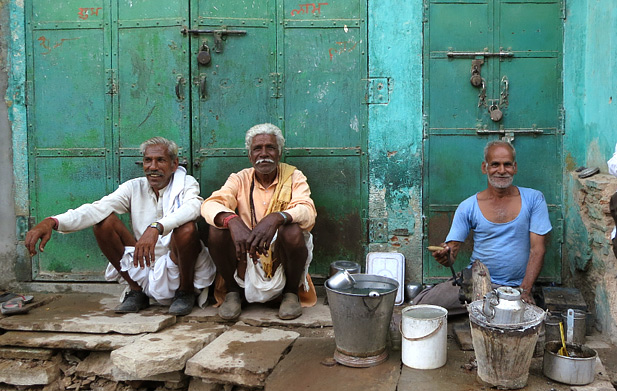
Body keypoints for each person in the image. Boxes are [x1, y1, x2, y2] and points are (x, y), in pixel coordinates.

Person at [25, 137, 216, 315]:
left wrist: (157, 227)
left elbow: (195, 207)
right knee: (103, 223)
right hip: (145, 259)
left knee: (187, 229)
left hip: (177, 259)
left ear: (174, 164)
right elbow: (97, 208)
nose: (153, 167)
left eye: (161, 160)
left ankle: (185, 292)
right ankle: (136, 292)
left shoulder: (186, 183)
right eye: (148, 160)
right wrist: (52, 221)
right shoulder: (134, 187)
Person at [414, 140, 552, 314]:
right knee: (421, 307)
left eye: (507, 164)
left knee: (522, 325)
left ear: (515, 167)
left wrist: (524, 290)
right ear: (484, 167)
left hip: (515, 289)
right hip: (476, 282)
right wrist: (446, 254)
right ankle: (481, 307)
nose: (501, 171)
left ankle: (484, 308)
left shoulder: (534, 199)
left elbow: (537, 250)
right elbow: (452, 249)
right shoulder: (468, 206)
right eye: (495, 164)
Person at [201, 123, 317, 321]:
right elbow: (211, 203)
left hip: (279, 255)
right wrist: (232, 220)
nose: (264, 153)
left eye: (270, 148)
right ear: (250, 155)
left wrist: (277, 217)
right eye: (257, 149)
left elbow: (307, 210)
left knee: (293, 231)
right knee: (216, 230)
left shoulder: (294, 176)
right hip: (246, 254)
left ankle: (290, 294)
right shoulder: (239, 178)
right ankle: (232, 292)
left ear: (279, 153)